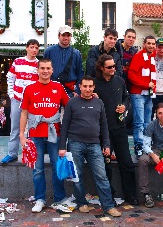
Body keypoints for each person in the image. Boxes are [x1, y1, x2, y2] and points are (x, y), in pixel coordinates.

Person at [59, 75, 121, 217]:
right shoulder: (72, 103)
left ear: (94, 87)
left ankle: (108, 206)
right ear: (80, 86)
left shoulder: (99, 103)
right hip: (75, 144)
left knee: (102, 176)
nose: (87, 89)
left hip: (94, 145)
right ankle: (81, 202)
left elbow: (104, 125)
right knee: (77, 176)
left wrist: (106, 144)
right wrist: (62, 146)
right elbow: (65, 125)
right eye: (85, 86)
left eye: (90, 86)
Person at [19, 59, 71, 213]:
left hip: (55, 134)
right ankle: (39, 198)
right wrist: (22, 135)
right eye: (42, 68)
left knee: (57, 167)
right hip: (35, 135)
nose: (45, 71)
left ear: (52, 70)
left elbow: (69, 107)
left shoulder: (58, 87)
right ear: (38, 70)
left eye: (48, 68)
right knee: (38, 169)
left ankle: (60, 198)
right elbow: (24, 113)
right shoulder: (29, 88)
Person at [94, 54, 138, 205]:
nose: (113, 69)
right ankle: (108, 196)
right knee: (105, 164)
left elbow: (127, 98)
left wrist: (124, 106)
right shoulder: (94, 83)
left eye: (114, 66)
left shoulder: (119, 80)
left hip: (119, 127)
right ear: (101, 68)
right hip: (103, 130)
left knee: (127, 162)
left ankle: (130, 195)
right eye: (109, 67)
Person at [1, 39, 40, 164]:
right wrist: (11, 94)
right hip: (17, 100)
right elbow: (10, 78)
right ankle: (12, 153)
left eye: (36, 48)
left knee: (33, 128)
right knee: (15, 128)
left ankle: (30, 153)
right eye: (32, 47)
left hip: (32, 102)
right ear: (27, 48)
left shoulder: (39, 64)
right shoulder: (17, 61)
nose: (34, 50)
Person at [128, 35, 156, 157]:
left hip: (149, 94)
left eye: (153, 44)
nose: (151, 46)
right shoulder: (139, 56)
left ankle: (146, 145)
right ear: (144, 44)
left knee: (148, 122)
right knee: (139, 122)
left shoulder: (154, 57)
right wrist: (146, 84)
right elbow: (131, 75)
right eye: (148, 43)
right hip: (138, 94)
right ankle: (138, 146)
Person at [44, 25, 84, 97]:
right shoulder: (49, 51)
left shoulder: (76, 54)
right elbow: (43, 70)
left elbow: (80, 74)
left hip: (70, 91)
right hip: (52, 90)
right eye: (63, 35)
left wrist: (77, 90)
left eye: (68, 35)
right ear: (58, 36)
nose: (66, 38)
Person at [152, 38, 163, 119]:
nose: (161, 49)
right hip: (153, 92)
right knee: (151, 116)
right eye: (159, 47)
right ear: (156, 47)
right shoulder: (151, 58)